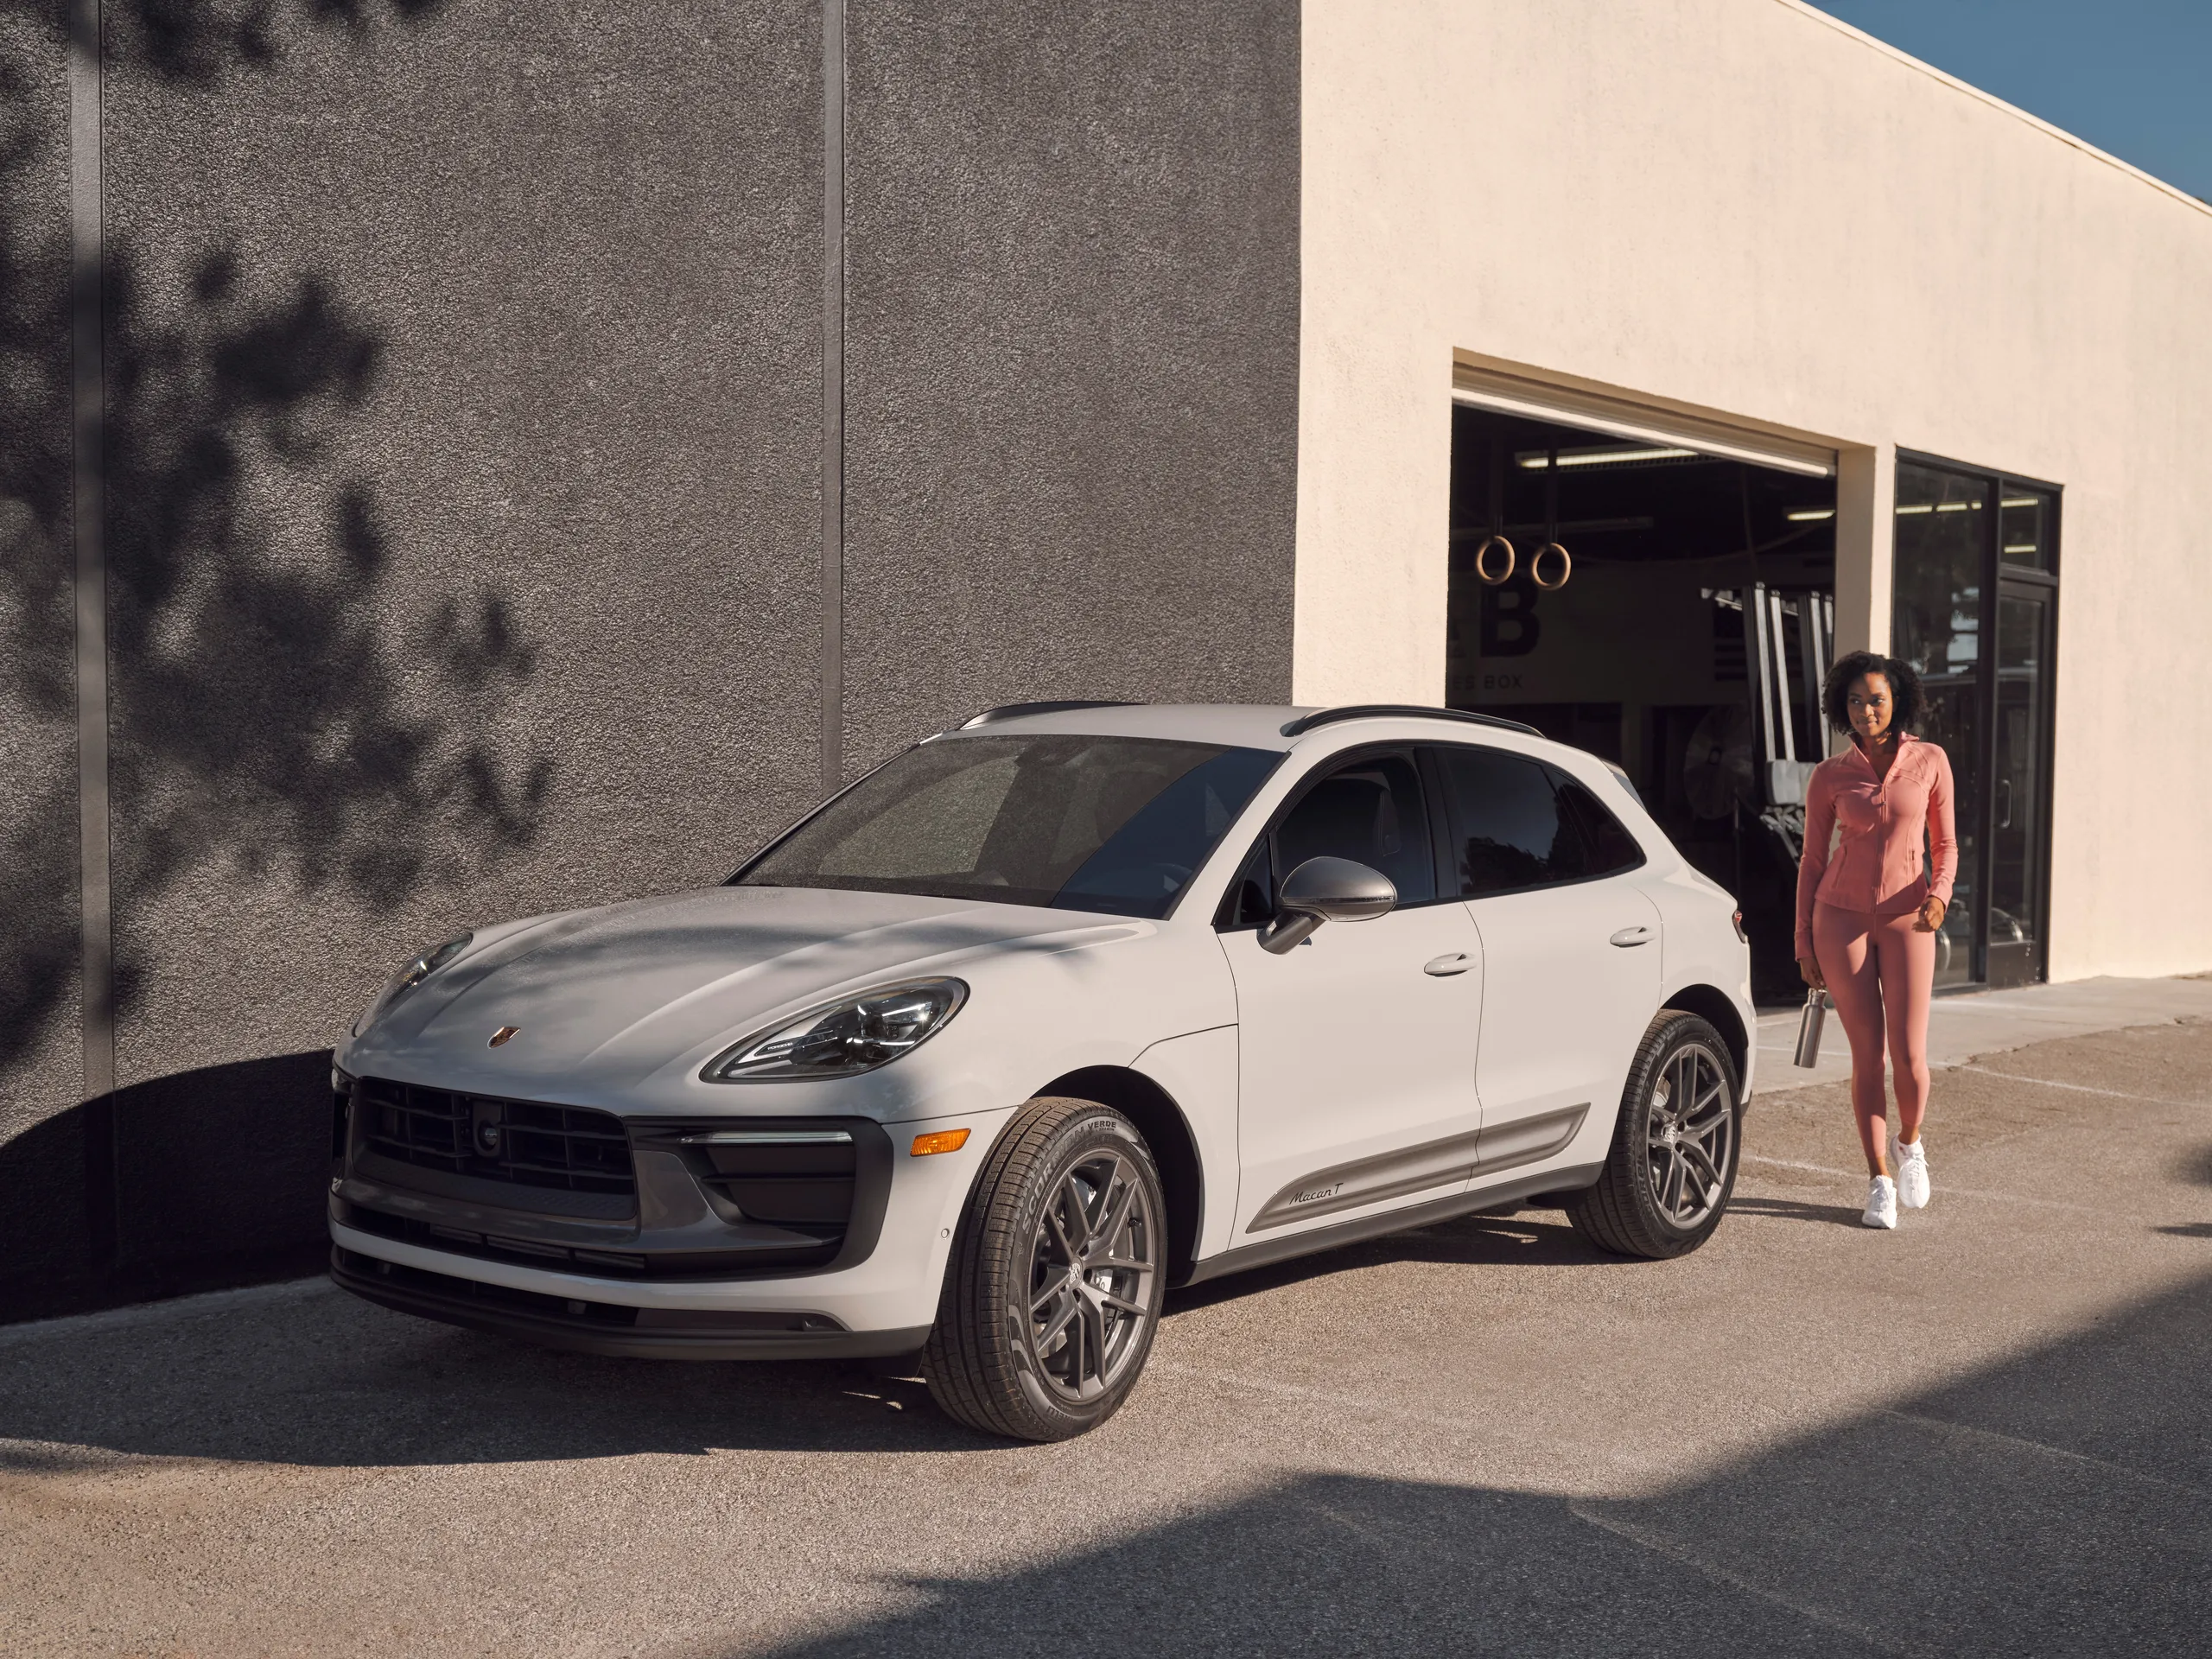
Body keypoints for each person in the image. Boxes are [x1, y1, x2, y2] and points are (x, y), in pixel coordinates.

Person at [1795, 651, 1956, 1230]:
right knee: (1869, 1056)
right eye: (1856, 701)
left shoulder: (1930, 761)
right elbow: (1812, 860)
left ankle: (1911, 1144)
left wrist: (1939, 895)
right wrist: (1803, 943)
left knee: (1911, 1056)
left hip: (1910, 917)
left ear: (1899, 702)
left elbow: (1947, 845)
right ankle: (1878, 1179)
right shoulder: (1830, 775)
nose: (1866, 710)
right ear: (1844, 706)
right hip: (1838, 919)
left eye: (1877, 699)